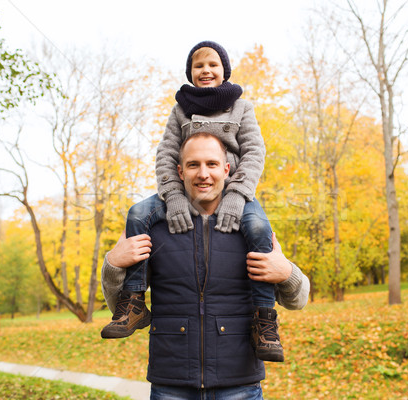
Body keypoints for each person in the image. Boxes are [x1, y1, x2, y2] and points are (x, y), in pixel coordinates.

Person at [101, 40, 281, 361]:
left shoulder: (242, 107)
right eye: (199, 66)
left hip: (234, 190)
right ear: (191, 73)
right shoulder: (181, 108)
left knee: (259, 227)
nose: (206, 70)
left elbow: (254, 153)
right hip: (184, 192)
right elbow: (167, 153)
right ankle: (135, 301)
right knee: (138, 212)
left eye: (213, 64)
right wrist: (172, 195)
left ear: (225, 71)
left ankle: (264, 318)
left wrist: (238, 194)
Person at [101, 133, 310, 399]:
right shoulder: (155, 228)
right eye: (193, 164)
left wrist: (287, 273)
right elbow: (119, 308)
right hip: (171, 383)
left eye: (211, 164)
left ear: (226, 170)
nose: (203, 174)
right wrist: (113, 264)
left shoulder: (252, 227)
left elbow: (298, 300)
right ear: (179, 171)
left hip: (239, 383)